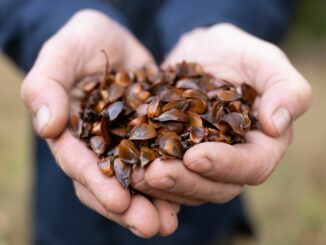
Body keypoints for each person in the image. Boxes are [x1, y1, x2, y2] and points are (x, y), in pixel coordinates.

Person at [0, 0, 312, 244]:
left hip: (200, 219)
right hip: (65, 211)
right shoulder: (100, 112)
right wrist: (58, 18)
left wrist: (216, 16)